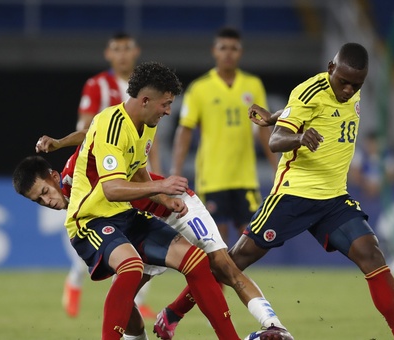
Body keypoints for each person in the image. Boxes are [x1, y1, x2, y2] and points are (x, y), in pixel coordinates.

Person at [227, 43, 394, 340]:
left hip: (333, 198)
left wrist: (275, 115)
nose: (348, 90)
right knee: (234, 261)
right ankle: (174, 313)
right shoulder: (309, 90)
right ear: (330, 68)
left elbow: (305, 111)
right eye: (343, 82)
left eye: (356, 84)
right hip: (293, 195)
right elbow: (276, 141)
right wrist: (298, 136)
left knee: (372, 253)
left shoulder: (351, 85)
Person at [18, 61, 239, 340]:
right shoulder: (111, 126)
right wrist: (162, 185)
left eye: (170, 103)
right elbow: (111, 188)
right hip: (90, 219)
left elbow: (134, 168)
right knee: (131, 267)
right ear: (146, 100)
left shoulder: (145, 123)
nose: (168, 110)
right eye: (166, 104)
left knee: (195, 261)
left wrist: (161, 198)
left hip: (123, 214)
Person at [35, 130, 292, 340]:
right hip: (144, 225)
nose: (46, 201)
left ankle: (274, 325)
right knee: (123, 298)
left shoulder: (75, 171)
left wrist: (59, 142)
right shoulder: (80, 212)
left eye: (45, 192)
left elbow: (92, 134)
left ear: (54, 177)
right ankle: (168, 318)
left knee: (222, 265)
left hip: (175, 206)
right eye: (38, 200)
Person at [66, 32, 157, 319]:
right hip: (99, 175)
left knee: (133, 239)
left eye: (127, 49)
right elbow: (85, 130)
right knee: (97, 233)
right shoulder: (97, 85)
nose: (122, 55)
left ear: (136, 52)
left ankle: (137, 300)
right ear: (108, 54)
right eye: (116, 49)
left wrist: (156, 175)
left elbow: (147, 140)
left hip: (132, 171)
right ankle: (75, 281)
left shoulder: (145, 89)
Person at [171, 27, 277, 246]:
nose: (228, 53)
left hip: (245, 176)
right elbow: (185, 130)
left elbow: (264, 129)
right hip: (213, 178)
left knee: (251, 241)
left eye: (234, 48)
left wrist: (277, 166)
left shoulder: (253, 85)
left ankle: (239, 281)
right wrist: (176, 171)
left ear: (241, 52)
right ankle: (218, 282)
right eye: (223, 48)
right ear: (214, 51)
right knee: (217, 242)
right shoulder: (200, 88)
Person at [349, 130, 394, 199]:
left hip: (382, 191)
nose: (372, 146)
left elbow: (392, 176)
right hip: (361, 191)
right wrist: (366, 186)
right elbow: (354, 174)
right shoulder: (359, 154)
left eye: (375, 143)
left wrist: (378, 187)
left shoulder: (388, 155)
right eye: (370, 144)